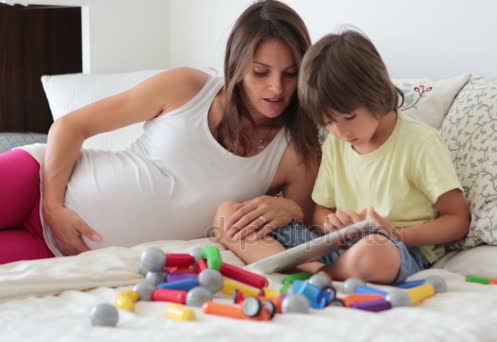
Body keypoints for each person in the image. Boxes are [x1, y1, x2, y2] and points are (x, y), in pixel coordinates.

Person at [0, 0, 320, 264]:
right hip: (38, 182)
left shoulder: (297, 153)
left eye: (290, 75)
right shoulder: (188, 87)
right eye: (261, 72)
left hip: (63, 252)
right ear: (236, 66)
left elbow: (303, 234)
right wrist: (53, 207)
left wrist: (291, 209)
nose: (277, 88)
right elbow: (71, 126)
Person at [215, 30, 470, 284]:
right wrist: (333, 223)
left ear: (377, 94)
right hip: (337, 246)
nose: (341, 131)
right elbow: (321, 210)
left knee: (374, 251)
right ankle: (317, 270)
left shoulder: (420, 142)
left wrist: (397, 233)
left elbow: (457, 221)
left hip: (397, 247)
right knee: (228, 215)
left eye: (349, 118)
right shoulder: (336, 142)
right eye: (328, 122)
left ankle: (317, 272)